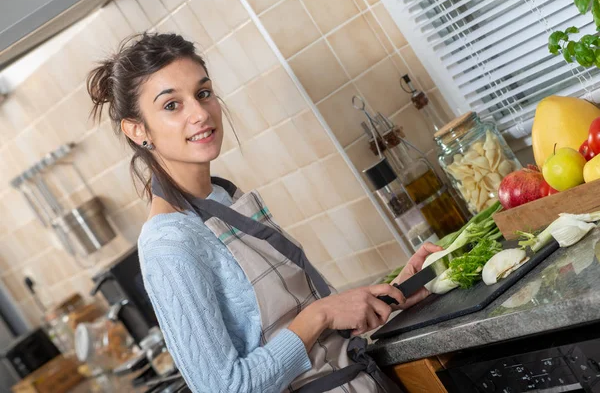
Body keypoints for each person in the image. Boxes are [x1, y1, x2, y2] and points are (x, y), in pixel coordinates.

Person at [87, 33, 442, 393]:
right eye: (171, 106)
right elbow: (225, 388)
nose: (199, 113)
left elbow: (297, 336)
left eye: (203, 93)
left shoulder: (223, 199)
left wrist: (390, 295)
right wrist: (320, 314)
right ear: (137, 130)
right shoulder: (169, 243)